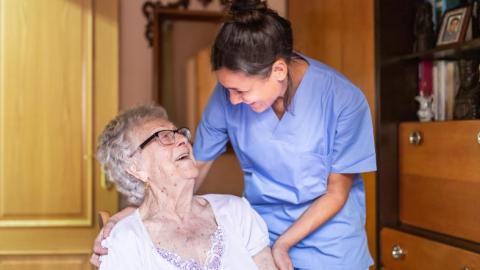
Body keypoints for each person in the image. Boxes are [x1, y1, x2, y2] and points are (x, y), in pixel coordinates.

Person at [93, 0, 376, 269]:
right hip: (260, 232)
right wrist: (137, 216)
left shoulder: (343, 100)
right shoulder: (227, 98)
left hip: (330, 245)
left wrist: (284, 244)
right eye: (227, 89)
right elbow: (194, 165)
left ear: (278, 70)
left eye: (241, 91)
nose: (232, 100)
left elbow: (337, 192)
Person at [94, 105, 278, 270]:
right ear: (136, 169)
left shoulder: (236, 212)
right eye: (164, 137)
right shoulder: (126, 240)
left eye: (179, 133)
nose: (182, 139)